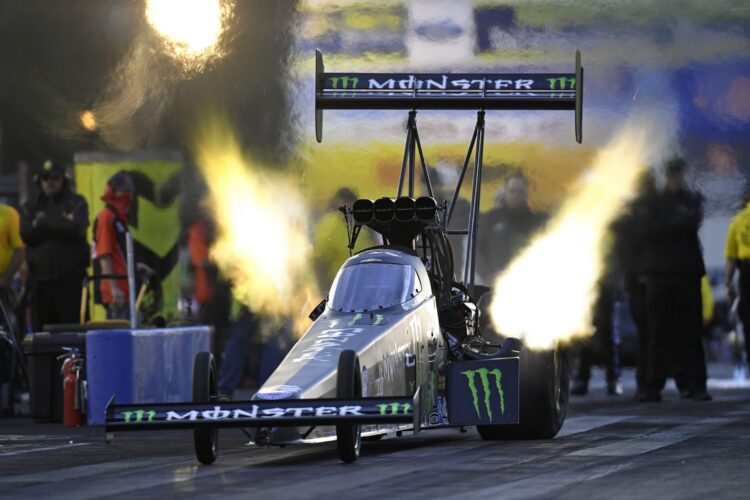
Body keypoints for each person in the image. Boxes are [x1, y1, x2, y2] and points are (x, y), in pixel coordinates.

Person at [641, 158, 710, 402]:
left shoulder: (690, 200)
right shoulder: (656, 202)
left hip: (685, 274)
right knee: (658, 332)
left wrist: (669, 224)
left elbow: (691, 221)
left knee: (690, 332)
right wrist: (676, 222)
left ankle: (695, 385)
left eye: (678, 174)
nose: (675, 178)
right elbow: (649, 229)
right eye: (671, 174)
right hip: (660, 275)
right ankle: (653, 386)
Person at [20, 160, 89, 330]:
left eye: (54, 177)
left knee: (73, 334)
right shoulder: (30, 206)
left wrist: (42, 222)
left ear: (63, 180)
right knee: (41, 338)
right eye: (45, 178)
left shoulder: (76, 202)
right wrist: (62, 222)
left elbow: (77, 228)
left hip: (70, 282)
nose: (49, 182)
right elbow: (27, 235)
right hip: (40, 284)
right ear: (39, 181)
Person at [478, 173, 546, 282]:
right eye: (512, 191)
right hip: (492, 285)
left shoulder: (537, 221)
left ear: (527, 194)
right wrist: (488, 274)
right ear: (506, 192)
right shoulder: (491, 219)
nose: (515, 195)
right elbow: (477, 251)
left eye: (519, 192)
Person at [92, 172, 135, 320]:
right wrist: (114, 288)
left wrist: (136, 267)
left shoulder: (118, 219)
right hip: (116, 294)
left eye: (129, 191)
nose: (128, 195)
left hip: (125, 290)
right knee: (119, 337)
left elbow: (119, 254)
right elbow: (104, 254)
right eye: (124, 190)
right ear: (112, 192)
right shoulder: (107, 217)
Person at [724, 187, 750, 371]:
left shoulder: (738, 221)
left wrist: (729, 284)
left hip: (747, 272)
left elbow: (731, 259)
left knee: (748, 320)